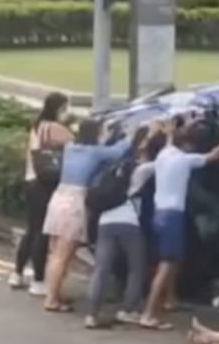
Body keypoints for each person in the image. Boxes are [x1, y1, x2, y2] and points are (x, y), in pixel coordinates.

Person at [140, 119, 219, 330]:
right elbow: (214, 155)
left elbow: (169, 142)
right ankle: (148, 314)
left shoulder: (164, 154)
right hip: (173, 215)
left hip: (159, 214)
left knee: (173, 260)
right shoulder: (185, 160)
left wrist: (170, 131)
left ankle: (169, 299)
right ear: (186, 145)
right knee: (166, 266)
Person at [42, 119, 134, 312]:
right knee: (63, 254)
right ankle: (51, 299)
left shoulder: (71, 148)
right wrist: (132, 133)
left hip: (59, 197)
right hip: (75, 201)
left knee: (55, 252)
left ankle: (53, 293)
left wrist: (107, 135)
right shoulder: (95, 152)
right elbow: (118, 150)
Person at [84, 123, 163, 329]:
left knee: (101, 269)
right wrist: (164, 136)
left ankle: (92, 314)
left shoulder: (114, 165)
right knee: (136, 268)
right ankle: (128, 310)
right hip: (129, 223)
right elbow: (165, 161)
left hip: (105, 221)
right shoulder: (140, 170)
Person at [9, 92, 74, 296]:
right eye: (64, 108)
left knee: (32, 229)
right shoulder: (52, 127)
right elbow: (78, 144)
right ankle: (38, 280)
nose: (66, 112)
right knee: (42, 233)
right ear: (56, 108)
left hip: (31, 181)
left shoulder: (37, 126)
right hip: (44, 184)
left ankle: (17, 273)